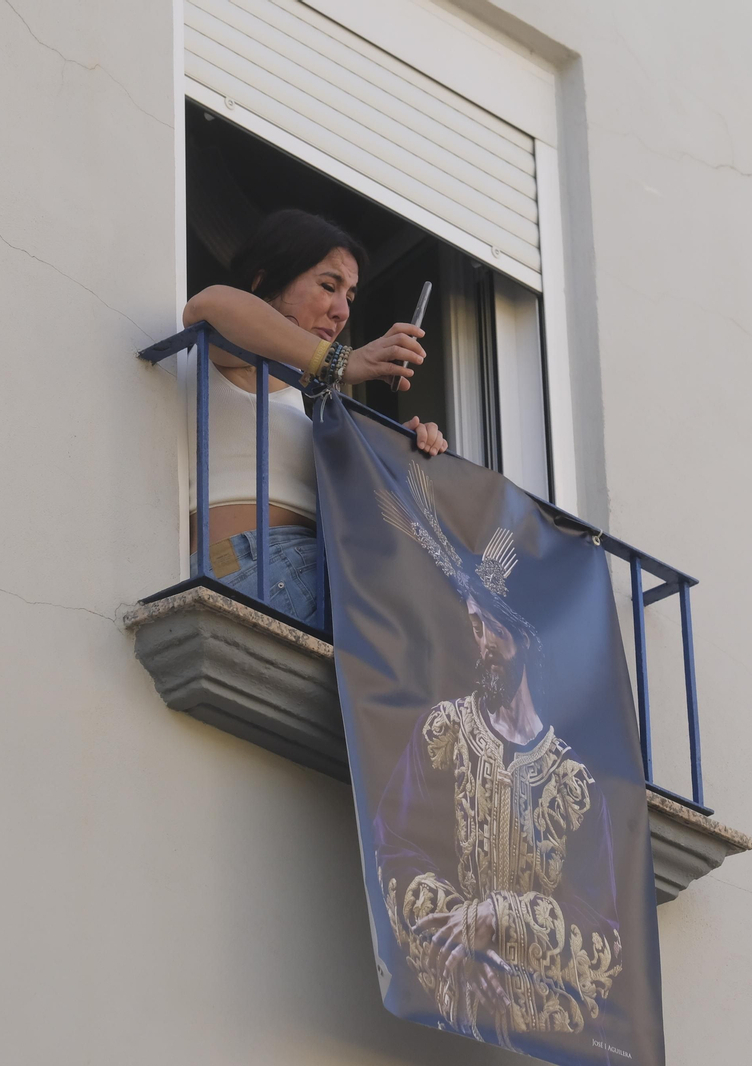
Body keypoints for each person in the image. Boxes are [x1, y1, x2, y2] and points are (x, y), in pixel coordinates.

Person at [371, 463, 623, 1053]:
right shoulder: (442, 734)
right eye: (475, 625)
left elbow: (602, 937)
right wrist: (459, 934)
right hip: (446, 1006)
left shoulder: (575, 786)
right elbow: (393, 848)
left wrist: (503, 916)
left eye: (495, 632)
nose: (481, 643)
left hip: (538, 1022)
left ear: (527, 643)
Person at [181, 209, 447, 622]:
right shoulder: (236, 362)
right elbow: (209, 305)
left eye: (350, 297)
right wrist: (340, 362)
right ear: (262, 282)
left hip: (309, 569)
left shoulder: (303, 406)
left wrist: (401, 453)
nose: (341, 311)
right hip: (264, 567)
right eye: (329, 286)